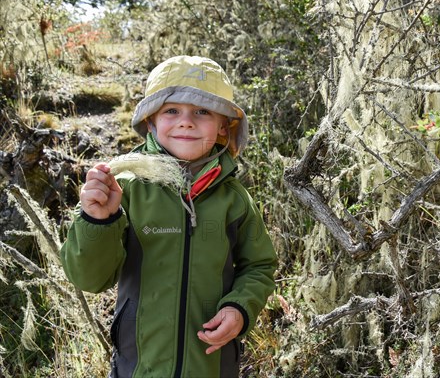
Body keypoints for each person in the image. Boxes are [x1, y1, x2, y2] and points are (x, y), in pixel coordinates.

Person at [60, 55, 278, 378]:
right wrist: (98, 221)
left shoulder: (235, 200)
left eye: (202, 111)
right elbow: (89, 279)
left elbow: (259, 266)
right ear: (151, 122)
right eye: (171, 110)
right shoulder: (126, 190)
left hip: (214, 367)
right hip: (138, 369)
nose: (186, 121)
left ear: (223, 127)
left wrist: (240, 309)